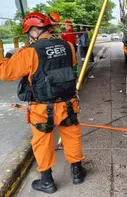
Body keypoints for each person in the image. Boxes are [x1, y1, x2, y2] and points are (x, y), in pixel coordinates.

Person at [0, 12, 86, 194]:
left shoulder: (30, 52)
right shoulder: (68, 46)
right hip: (68, 104)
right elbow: (68, 65)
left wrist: (4, 59)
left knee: (42, 142)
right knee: (72, 136)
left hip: (43, 108)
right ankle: (77, 173)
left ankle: (47, 181)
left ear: (33, 31)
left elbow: (6, 73)